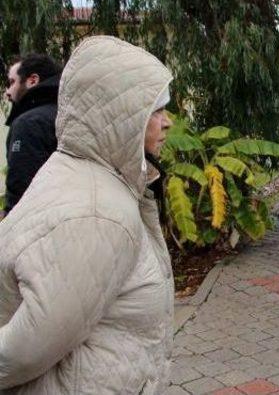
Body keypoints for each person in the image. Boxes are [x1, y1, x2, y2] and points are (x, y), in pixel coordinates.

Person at [0, 36, 175, 394]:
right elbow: (23, 351)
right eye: (155, 110)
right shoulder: (100, 214)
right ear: (120, 115)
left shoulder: (86, 177)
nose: (167, 122)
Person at [3, 54, 62, 216]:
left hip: (37, 224)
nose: (7, 92)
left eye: (12, 82)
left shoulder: (28, 123)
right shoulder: (66, 116)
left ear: (32, 81)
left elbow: (21, 187)